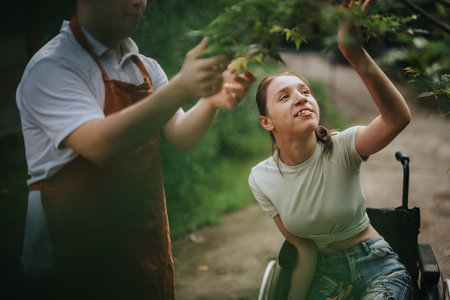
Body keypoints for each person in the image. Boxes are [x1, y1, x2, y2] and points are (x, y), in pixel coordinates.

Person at [16, 0, 256, 299]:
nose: (138, 2)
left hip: (140, 244)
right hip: (72, 254)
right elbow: (100, 145)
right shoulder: (53, 66)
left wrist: (210, 100)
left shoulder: (145, 67)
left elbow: (181, 135)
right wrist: (182, 86)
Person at [248, 1, 412, 299]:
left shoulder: (343, 146)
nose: (300, 98)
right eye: (284, 97)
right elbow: (305, 250)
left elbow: (397, 119)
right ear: (266, 121)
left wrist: (354, 53)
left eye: (305, 92)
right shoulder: (261, 179)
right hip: (328, 275)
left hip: (377, 264)